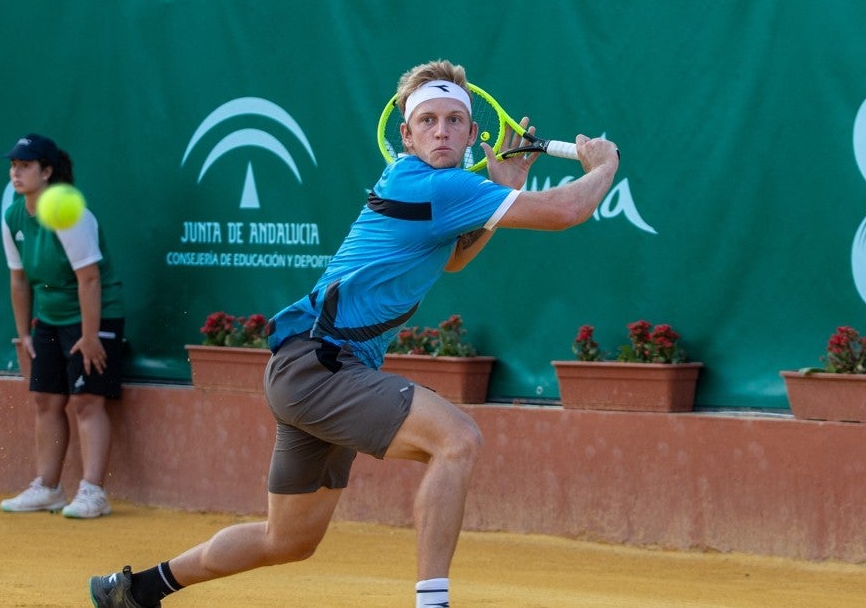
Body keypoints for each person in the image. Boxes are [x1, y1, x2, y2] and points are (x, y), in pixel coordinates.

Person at [88, 60, 620, 606]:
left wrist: (499, 194)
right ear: (406, 135)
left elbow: (454, 262)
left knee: (287, 539)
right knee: (456, 440)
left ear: (469, 132)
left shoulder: (435, 190)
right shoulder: (434, 184)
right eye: (429, 120)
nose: (442, 130)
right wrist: (602, 165)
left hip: (310, 373)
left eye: (455, 121)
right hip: (320, 367)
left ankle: (135, 590)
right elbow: (566, 209)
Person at [0, 133, 128, 520]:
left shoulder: (69, 213)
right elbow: (19, 279)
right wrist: (24, 334)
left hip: (94, 314)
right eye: (14, 166)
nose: (16, 173)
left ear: (48, 171)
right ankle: (49, 488)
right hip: (50, 316)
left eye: (25, 166)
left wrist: (90, 337)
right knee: (46, 400)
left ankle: (93, 492)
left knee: (87, 401)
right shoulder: (13, 216)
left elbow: (90, 279)